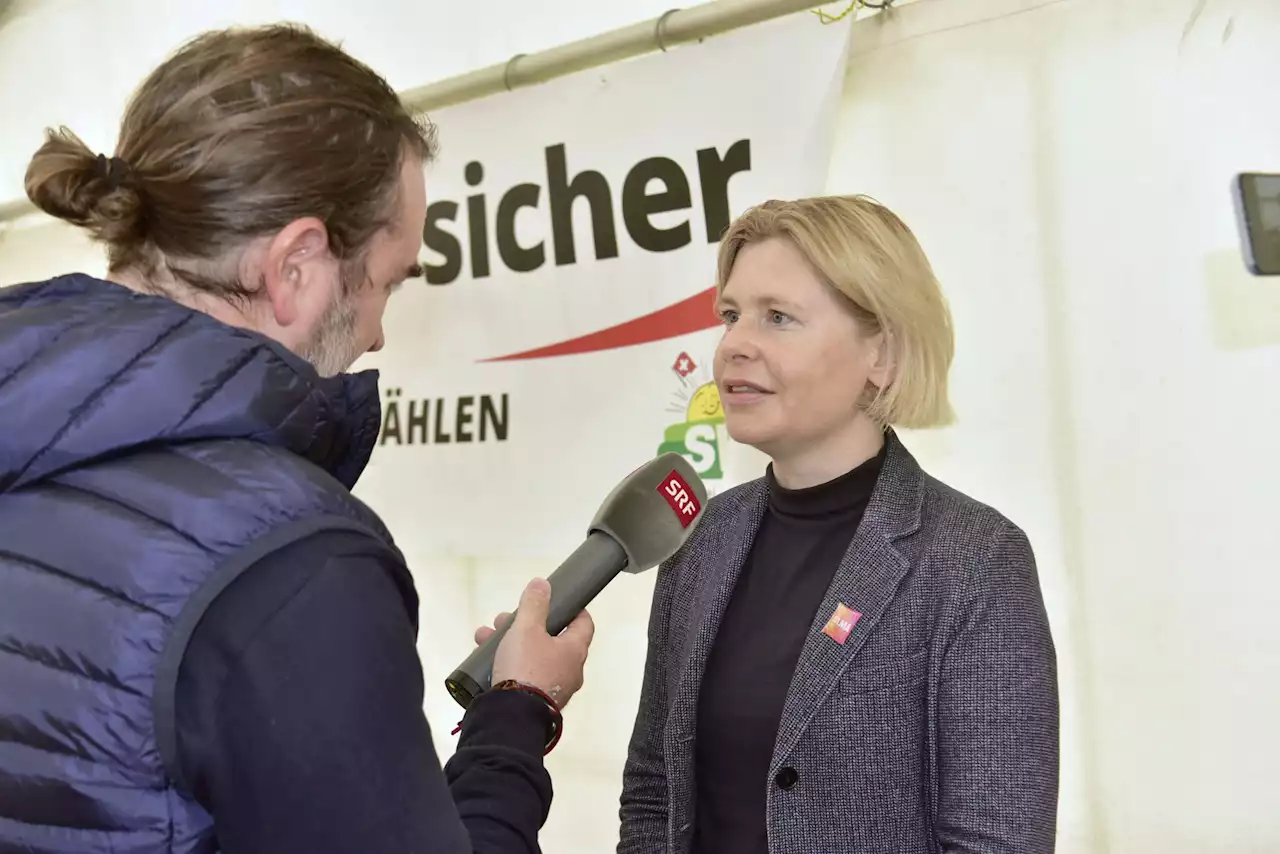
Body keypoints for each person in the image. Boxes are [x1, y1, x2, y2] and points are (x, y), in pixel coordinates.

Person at [0, 24, 594, 854]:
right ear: (296, 266)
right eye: (388, 283)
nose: (381, 336)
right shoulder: (288, 560)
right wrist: (518, 711)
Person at [618, 195, 1059, 854]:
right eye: (731, 315)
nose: (735, 344)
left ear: (880, 353)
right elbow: (654, 793)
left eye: (778, 318)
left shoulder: (975, 560)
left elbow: (996, 841)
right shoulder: (702, 539)